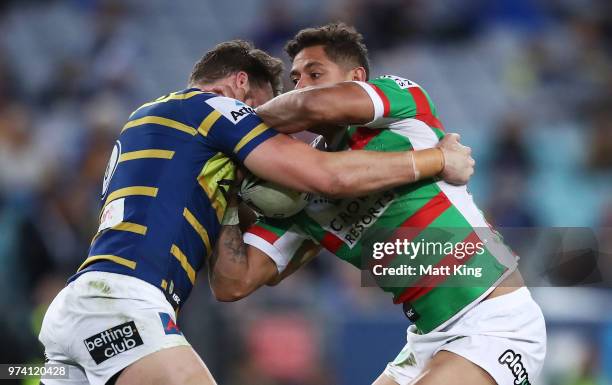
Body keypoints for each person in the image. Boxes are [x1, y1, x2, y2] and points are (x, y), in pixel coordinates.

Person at [38, 39, 474, 385]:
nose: (264, 127)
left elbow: (230, 282)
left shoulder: (146, 117)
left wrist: (230, 200)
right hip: (123, 305)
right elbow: (324, 176)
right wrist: (436, 159)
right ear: (240, 86)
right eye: (258, 114)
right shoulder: (211, 107)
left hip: (81, 309)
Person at [210, 23, 546, 385]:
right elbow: (233, 284)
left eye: (315, 73)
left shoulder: (402, 110)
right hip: (426, 339)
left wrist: (229, 129)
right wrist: (228, 199)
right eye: (295, 79)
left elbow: (311, 106)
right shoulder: (300, 193)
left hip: (494, 320)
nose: (301, 85)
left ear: (356, 78)